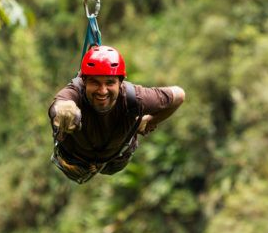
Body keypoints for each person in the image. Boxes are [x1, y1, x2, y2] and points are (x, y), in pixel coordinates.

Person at [48, 45, 185, 184]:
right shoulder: (75, 92)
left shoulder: (135, 98)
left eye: (110, 82)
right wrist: (65, 110)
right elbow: (60, 104)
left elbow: (179, 95)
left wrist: (150, 121)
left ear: (120, 82)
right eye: (95, 82)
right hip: (75, 161)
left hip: (116, 160)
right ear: (84, 81)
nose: (102, 91)